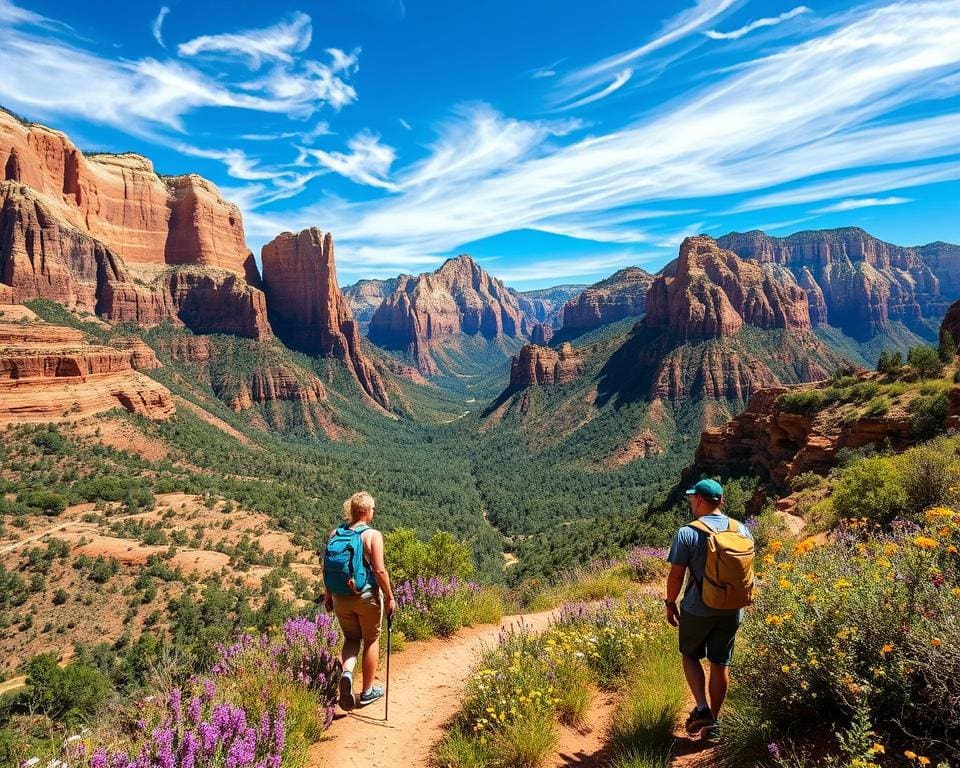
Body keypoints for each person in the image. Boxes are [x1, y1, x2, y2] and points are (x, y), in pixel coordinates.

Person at [664, 478, 754, 745]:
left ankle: (702, 708)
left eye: (693, 498)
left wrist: (670, 603)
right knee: (720, 662)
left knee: (690, 655)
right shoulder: (743, 530)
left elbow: (676, 575)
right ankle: (714, 723)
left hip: (697, 609)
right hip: (732, 608)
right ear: (721, 501)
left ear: (701, 500)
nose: (691, 501)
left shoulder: (688, 532)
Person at [323, 491, 397, 711]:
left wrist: (328, 595)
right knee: (371, 639)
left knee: (351, 638)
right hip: (366, 596)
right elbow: (379, 570)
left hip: (340, 597)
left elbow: (326, 567)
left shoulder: (335, 533)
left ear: (352, 511)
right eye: (373, 509)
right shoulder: (373, 535)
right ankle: (366, 692)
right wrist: (391, 597)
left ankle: (347, 673)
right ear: (367, 512)